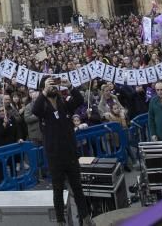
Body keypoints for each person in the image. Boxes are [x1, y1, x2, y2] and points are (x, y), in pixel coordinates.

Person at [31, 76, 95, 226]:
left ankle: (85, 218)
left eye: (54, 85)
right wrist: (44, 92)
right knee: (58, 189)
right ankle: (60, 221)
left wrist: (70, 86)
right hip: (54, 155)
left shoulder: (63, 103)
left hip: (70, 152)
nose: (53, 87)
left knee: (77, 187)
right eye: (49, 85)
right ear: (43, 88)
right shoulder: (42, 105)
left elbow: (79, 100)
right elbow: (35, 110)